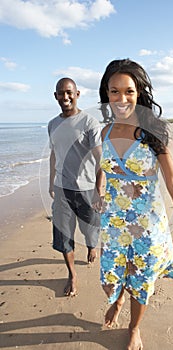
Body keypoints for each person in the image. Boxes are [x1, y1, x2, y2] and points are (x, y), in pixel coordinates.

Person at [97, 59, 173, 350]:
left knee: (141, 282)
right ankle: (119, 298)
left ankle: (134, 327)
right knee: (111, 281)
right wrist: (98, 190)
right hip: (112, 224)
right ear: (106, 94)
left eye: (129, 91)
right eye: (114, 92)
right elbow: (103, 167)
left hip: (146, 227)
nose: (122, 99)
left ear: (139, 93)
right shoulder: (104, 133)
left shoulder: (154, 133)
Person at [48, 77, 104, 297]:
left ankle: (91, 246)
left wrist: (99, 190)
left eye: (69, 92)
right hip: (62, 189)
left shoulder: (89, 123)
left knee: (90, 228)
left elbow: (100, 157)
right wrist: (51, 182)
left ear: (77, 94)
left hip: (87, 189)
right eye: (61, 93)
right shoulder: (52, 124)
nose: (65, 97)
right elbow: (54, 154)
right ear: (56, 96)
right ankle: (72, 274)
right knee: (63, 235)